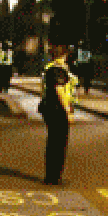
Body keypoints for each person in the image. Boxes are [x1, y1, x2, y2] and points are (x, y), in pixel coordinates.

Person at [39, 45, 77, 185]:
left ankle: (52, 175)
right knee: (59, 143)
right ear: (63, 56)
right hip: (57, 110)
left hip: (50, 108)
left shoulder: (50, 68)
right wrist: (68, 111)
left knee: (53, 142)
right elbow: (60, 90)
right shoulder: (58, 70)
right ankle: (54, 177)